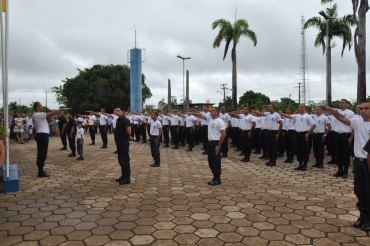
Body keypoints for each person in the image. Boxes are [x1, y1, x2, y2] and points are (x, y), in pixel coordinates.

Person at [323, 103, 370, 232]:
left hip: (369, 162)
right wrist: (331, 111)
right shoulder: (357, 121)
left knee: (368, 191)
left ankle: (368, 219)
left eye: (367, 108)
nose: (363, 111)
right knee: (359, 190)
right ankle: (362, 216)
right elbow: (342, 118)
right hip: (358, 162)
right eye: (361, 108)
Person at [191, 108, 226, 186]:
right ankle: (214, 177)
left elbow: (223, 134)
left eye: (213, 110)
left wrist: (219, 146)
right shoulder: (210, 119)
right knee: (210, 161)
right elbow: (200, 115)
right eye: (211, 111)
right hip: (210, 143)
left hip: (216, 143)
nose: (211, 112)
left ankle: (217, 179)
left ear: (217, 112)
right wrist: (192, 113)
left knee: (216, 161)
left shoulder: (220, 121)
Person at [32, 102, 64, 177]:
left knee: (42, 153)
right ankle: (40, 172)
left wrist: (49, 124)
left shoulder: (37, 115)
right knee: (42, 153)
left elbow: (41, 124)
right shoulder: (38, 114)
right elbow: (51, 113)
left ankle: (41, 170)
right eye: (40, 106)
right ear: (37, 107)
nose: (42, 107)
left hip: (41, 134)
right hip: (42, 135)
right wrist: (60, 110)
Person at [281, 104, 316, 171]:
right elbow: (288, 116)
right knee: (298, 150)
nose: (299, 108)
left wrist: (308, 134)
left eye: (301, 107)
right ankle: (300, 164)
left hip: (304, 134)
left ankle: (305, 165)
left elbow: (313, 125)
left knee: (305, 150)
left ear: (304, 108)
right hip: (297, 134)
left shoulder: (307, 116)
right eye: (299, 107)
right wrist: (281, 114)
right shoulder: (296, 116)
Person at [332, 99, 355, 178]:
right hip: (337, 134)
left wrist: (351, 137)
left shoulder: (350, 113)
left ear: (346, 104)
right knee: (338, 153)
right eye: (340, 103)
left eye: (342, 103)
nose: (341, 104)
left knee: (345, 153)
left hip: (346, 135)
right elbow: (333, 122)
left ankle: (345, 171)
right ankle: (339, 169)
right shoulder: (336, 112)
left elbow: (353, 126)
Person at [114, 106, 132, 185]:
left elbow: (129, 132)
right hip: (119, 142)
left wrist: (127, 137)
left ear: (122, 111)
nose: (117, 112)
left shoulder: (125, 120)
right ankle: (123, 175)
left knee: (125, 160)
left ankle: (127, 178)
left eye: (118, 110)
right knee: (120, 160)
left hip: (124, 142)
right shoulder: (118, 119)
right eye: (116, 110)